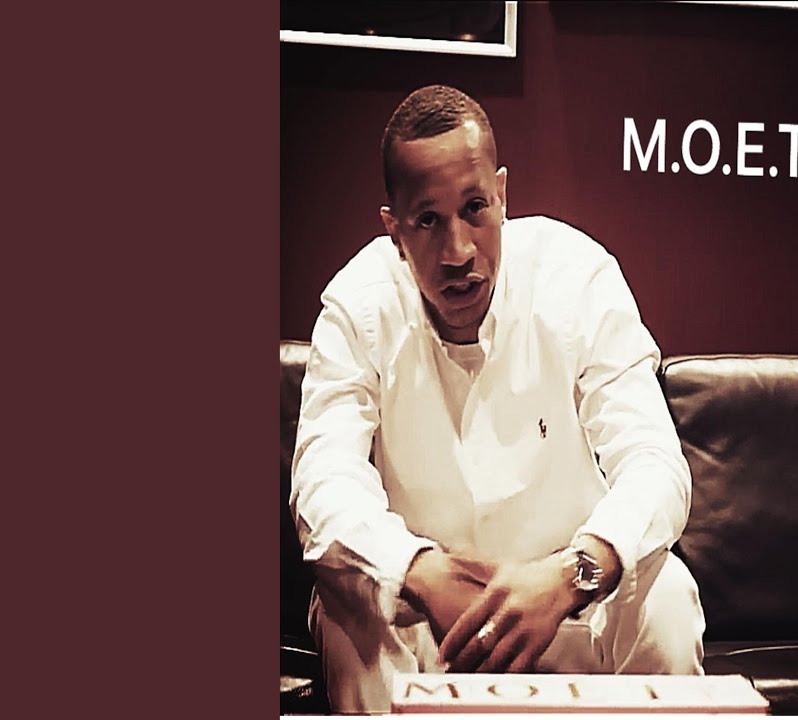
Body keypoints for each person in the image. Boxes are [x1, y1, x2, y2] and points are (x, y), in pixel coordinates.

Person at [289, 84, 706, 713]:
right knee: (346, 606)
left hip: (569, 604)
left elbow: (655, 462)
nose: (458, 251)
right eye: (428, 220)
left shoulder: (578, 277)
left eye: (475, 208)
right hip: (423, 615)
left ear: (502, 195)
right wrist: (419, 570)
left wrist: (573, 573)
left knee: (666, 594)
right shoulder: (358, 303)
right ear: (394, 229)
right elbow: (323, 481)